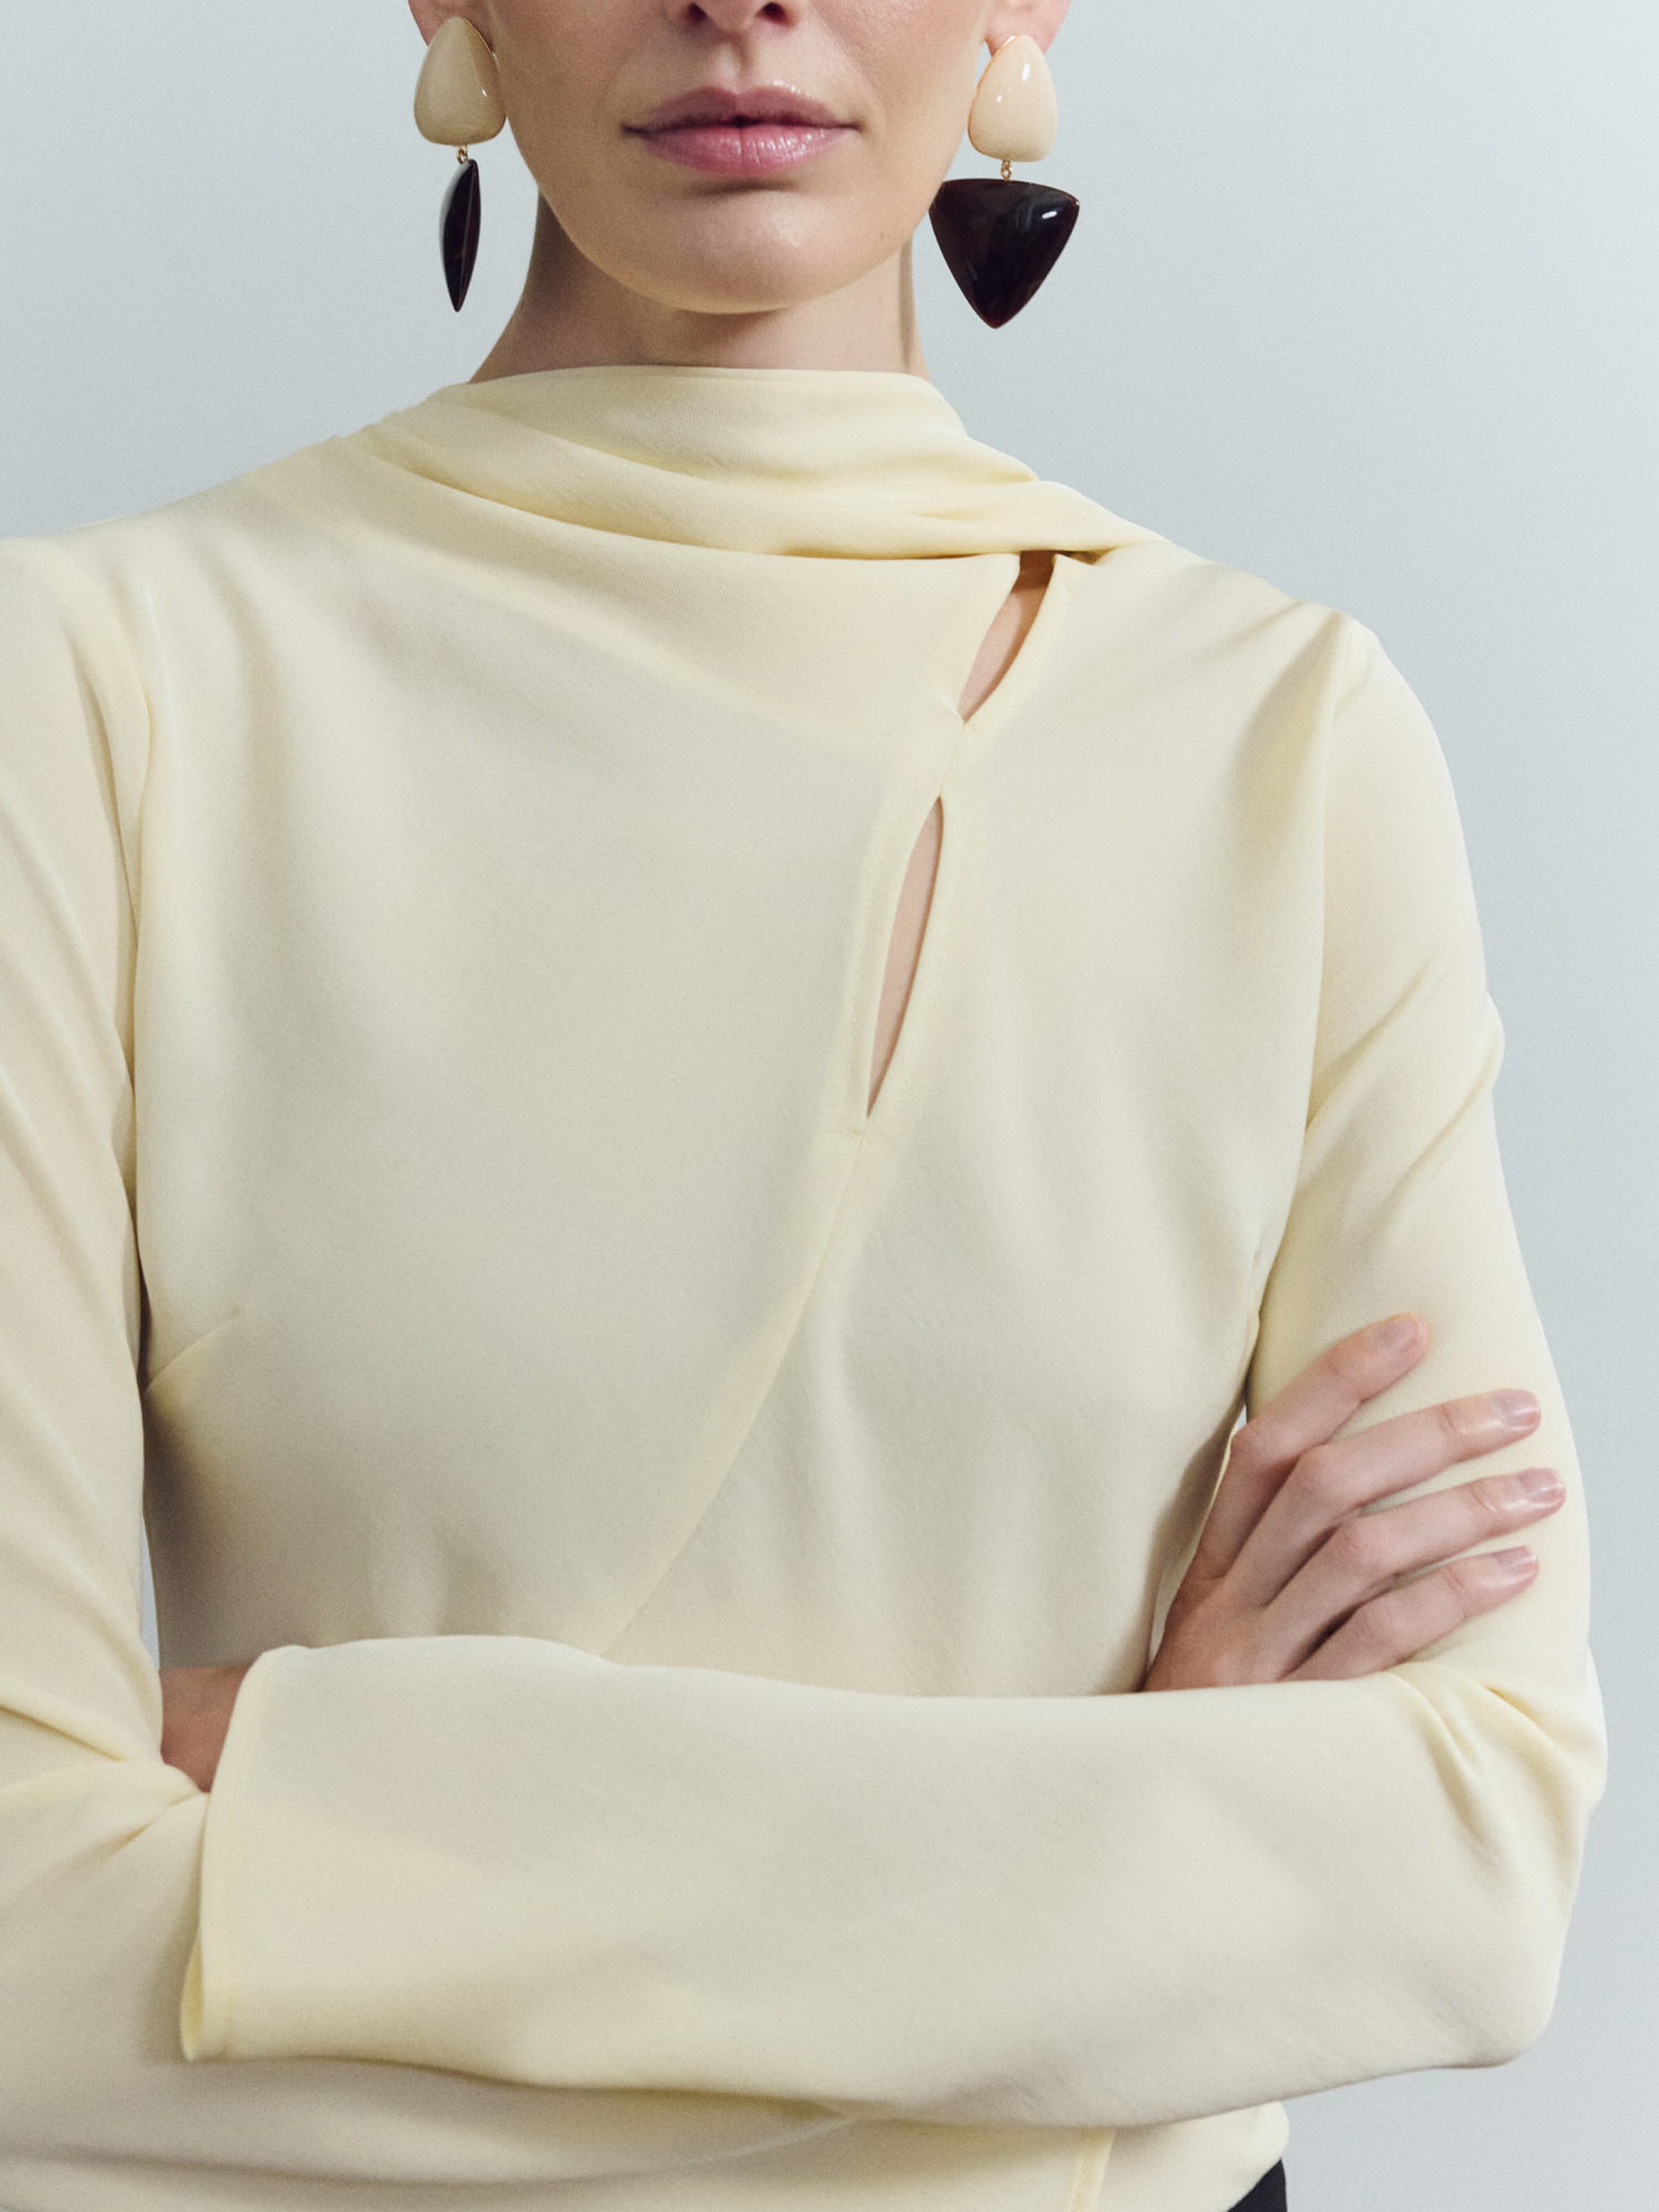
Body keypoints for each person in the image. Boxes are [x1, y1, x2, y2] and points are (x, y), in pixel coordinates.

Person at [0, 4, 1606, 2210]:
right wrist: (1127, 1883)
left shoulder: (1286, 739)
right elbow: (20, 1949)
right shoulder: (91, 694)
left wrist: (311, 1818)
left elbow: (1460, 1873)